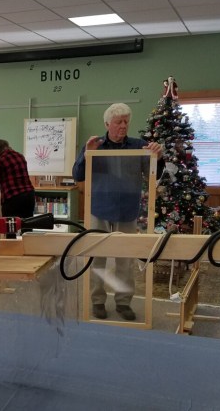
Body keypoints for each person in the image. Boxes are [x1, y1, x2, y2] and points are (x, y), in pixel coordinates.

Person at [72, 103, 163, 320]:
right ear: (107, 124)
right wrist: (87, 154)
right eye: (118, 122)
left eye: (126, 121)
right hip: (99, 209)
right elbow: (78, 175)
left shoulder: (139, 146)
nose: (123, 126)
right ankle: (97, 301)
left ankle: (123, 303)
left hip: (127, 210)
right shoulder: (95, 145)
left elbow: (154, 173)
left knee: (125, 259)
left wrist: (157, 157)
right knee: (97, 258)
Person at [0, 139, 35, 234]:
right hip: (29, 196)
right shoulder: (20, 156)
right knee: (27, 226)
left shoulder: (0, 161)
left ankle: (11, 247)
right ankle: (29, 247)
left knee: (10, 228)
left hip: (13, 199)